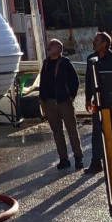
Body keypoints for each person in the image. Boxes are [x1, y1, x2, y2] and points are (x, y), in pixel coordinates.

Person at [38, 38, 83, 170]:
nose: (49, 47)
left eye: (52, 45)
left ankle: (78, 157)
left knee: (72, 130)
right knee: (57, 132)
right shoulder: (46, 63)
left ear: (59, 48)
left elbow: (75, 81)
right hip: (49, 102)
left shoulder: (65, 63)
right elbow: (42, 82)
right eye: (49, 45)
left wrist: (71, 96)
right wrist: (42, 99)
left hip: (64, 102)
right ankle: (63, 159)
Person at [84, 31, 112, 174]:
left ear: (104, 44)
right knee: (96, 132)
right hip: (97, 101)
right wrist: (88, 98)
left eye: (96, 40)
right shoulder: (91, 59)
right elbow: (88, 80)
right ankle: (96, 162)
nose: (93, 42)